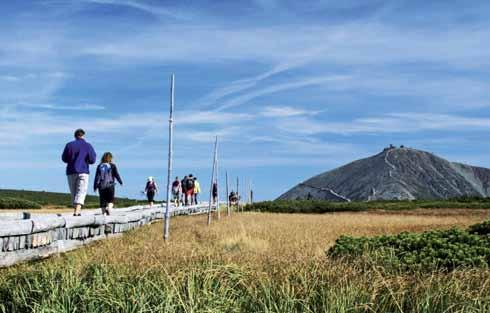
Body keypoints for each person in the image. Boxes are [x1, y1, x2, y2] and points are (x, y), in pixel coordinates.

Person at [62, 129, 96, 216]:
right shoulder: (88, 146)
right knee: (81, 191)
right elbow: (92, 160)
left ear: (75, 136)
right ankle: (77, 211)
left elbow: (64, 159)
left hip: (71, 170)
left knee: (73, 191)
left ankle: (76, 210)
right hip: (83, 170)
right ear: (83, 135)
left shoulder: (69, 145)